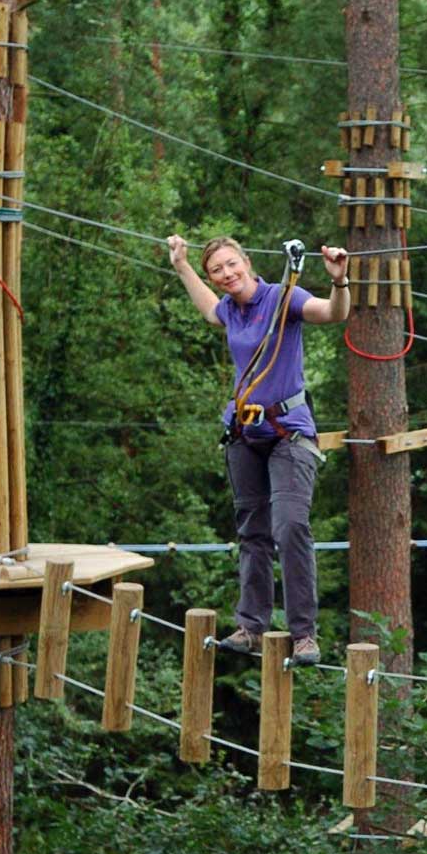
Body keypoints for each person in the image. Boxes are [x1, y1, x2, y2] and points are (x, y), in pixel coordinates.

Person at [167, 234, 351, 667]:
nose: (226, 275)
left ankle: (304, 634)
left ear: (248, 262)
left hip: (289, 434)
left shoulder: (282, 296)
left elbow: (330, 314)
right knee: (252, 532)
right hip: (246, 434)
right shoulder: (230, 310)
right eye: (217, 270)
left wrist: (340, 282)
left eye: (232, 265)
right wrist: (181, 265)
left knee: (290, 528)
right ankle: (251, 627)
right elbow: (209, 309)